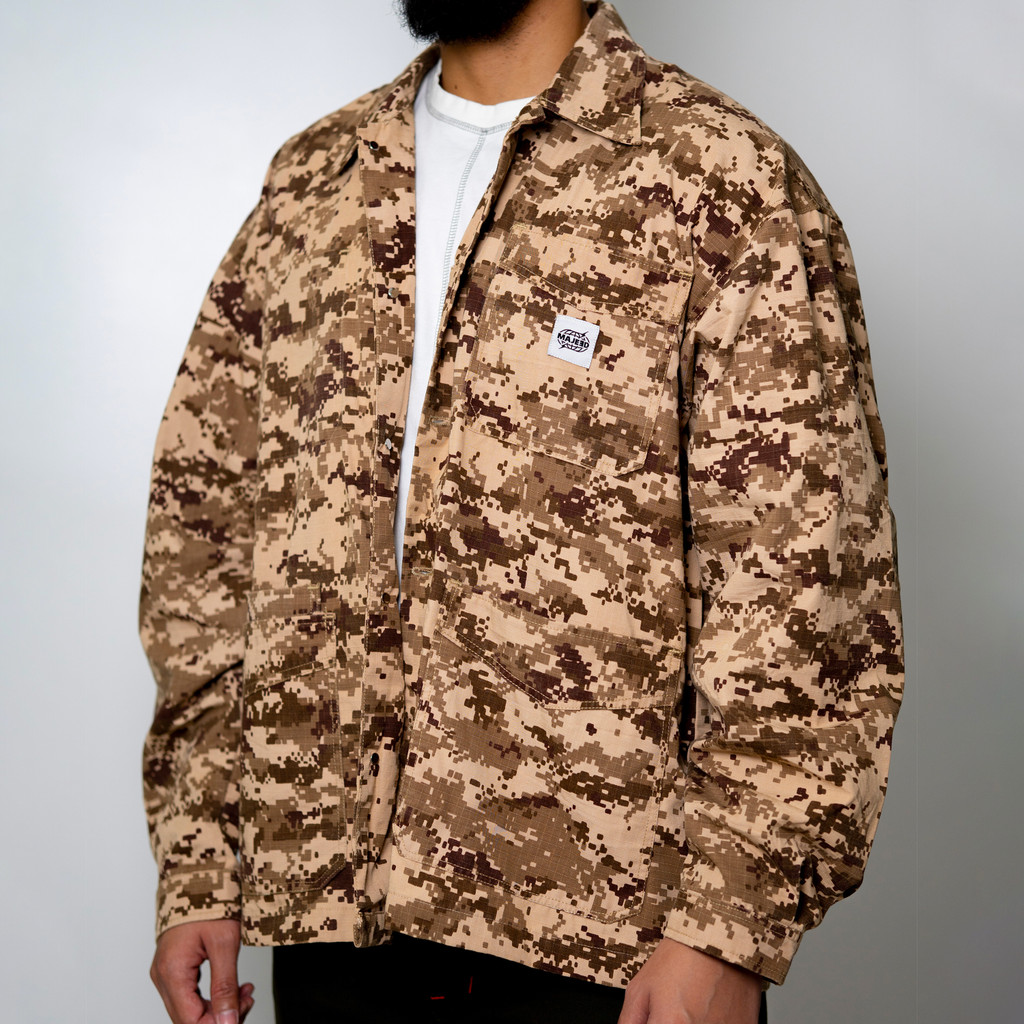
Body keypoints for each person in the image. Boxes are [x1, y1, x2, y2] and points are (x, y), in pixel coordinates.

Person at [139, 2, 905, 1022]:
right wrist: (203, 859)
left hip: (609, 951)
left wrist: (728, 927)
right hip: (331, 928)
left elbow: (806, 590)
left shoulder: (722, 181)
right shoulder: (315, 183)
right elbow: (205, 533)